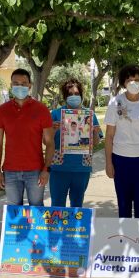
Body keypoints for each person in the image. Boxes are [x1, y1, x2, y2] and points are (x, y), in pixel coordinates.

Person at [104, 64, 139, 218]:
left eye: (136, 79)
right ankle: (125, 240)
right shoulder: (115, 102)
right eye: (129, 79)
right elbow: (109, 136)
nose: (132, 82)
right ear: (123, 83)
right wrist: (108, 163)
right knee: (124, 206)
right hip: (120, 160)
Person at [0, 69, 54, 206]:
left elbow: (50, 143)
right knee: (15, 214)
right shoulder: (2, 111)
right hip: (10, 171)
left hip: (36, 171)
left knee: (37, 210)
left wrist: (46, 169)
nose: (20, 86)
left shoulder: (42, 109)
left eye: (24, 83)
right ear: (11, 85)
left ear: (30, 85)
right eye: (16, 83)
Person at [49, 79, 100, 208]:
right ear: (65, 97)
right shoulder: (55, 114)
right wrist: (52, 130)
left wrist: (94, 132)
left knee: (77, 206)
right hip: (59, 168)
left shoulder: (89, 115)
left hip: (82, 168)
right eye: (70, 94)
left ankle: (75, 229)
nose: (74, 97)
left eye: (77, 94)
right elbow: (46, 141)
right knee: (57, 206)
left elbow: (95, 143)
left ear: (81, 95)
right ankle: (57, 229)